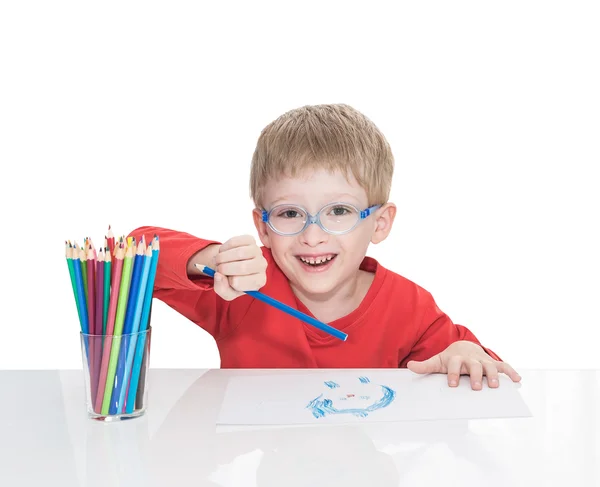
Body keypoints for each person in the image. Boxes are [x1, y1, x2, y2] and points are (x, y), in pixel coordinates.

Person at [130, 104, 521, 390]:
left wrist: (465, 356)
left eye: (338, 211)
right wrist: (210, 261)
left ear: (380, 223)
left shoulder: (408, 307)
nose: (312, 236)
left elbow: (481, 366)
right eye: (288, 214)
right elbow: (133, 251)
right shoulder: (240, 287)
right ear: (262, 227)